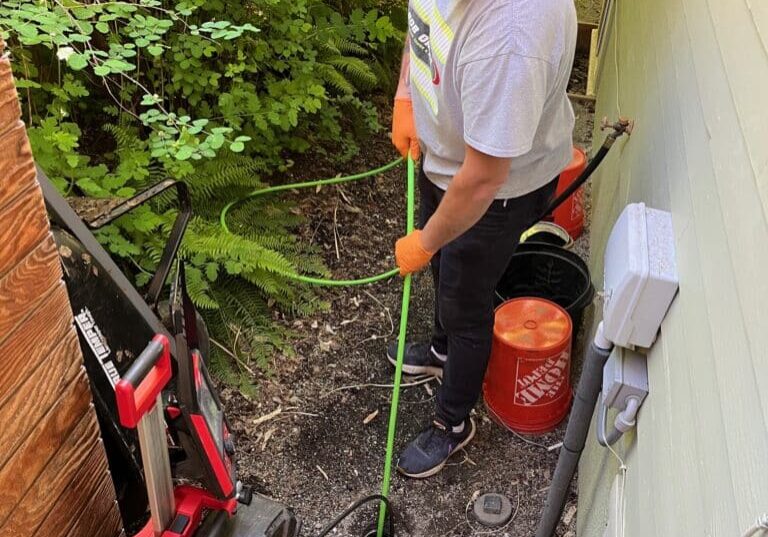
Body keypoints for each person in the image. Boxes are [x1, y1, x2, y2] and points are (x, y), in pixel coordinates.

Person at [388, 0, 577, 478]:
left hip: (496, 192)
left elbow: (483, 179)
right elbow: (422, 27)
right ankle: (440, 352)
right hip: (448, 160)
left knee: (465, 303)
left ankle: (452, 423)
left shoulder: (513, 37)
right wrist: (405, 97)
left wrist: (426, 241)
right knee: (445, 273)